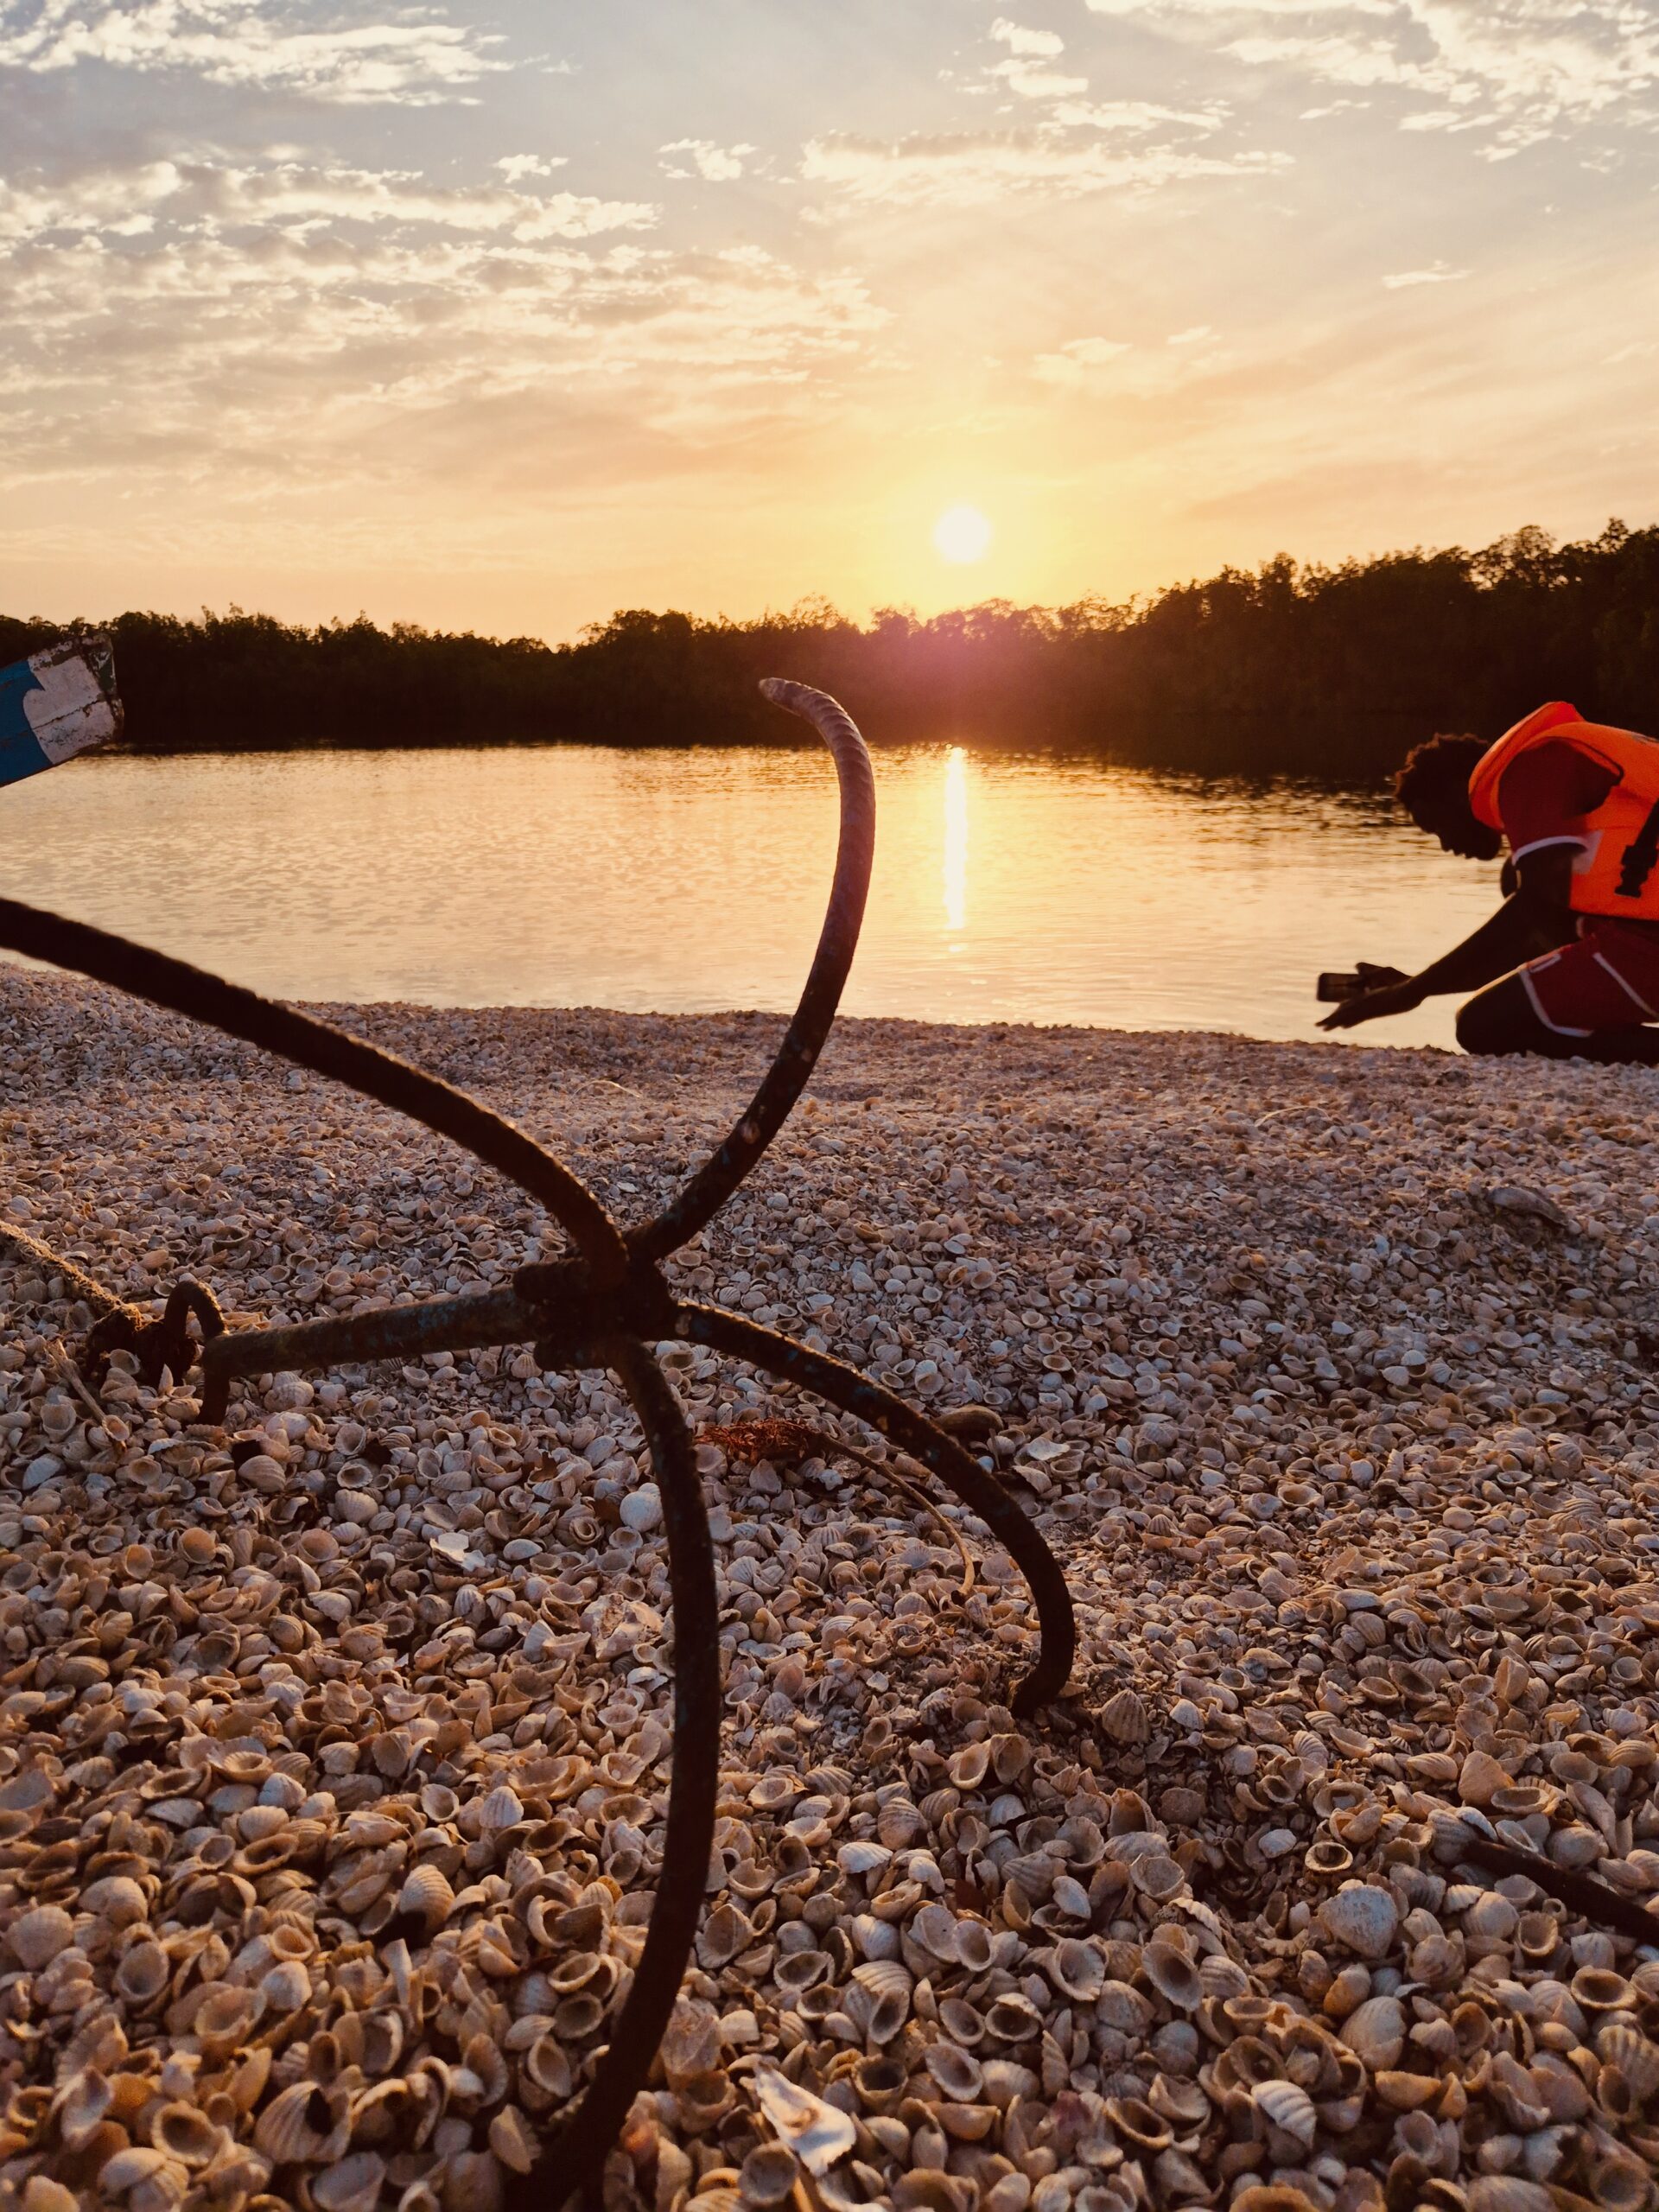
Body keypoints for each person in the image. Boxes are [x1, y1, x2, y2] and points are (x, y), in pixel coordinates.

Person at [1321, 700, 1659, 1061]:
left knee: (1481, 1025)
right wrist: (1416, 983)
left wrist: (1411, 993)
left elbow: (1534, 906)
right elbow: (1542, 943)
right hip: (1642, 942)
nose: (1446, 845)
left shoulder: (1532, 767)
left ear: (1456, 790)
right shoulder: (1553, 771)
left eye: (1436, 825)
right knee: (1519, 908)